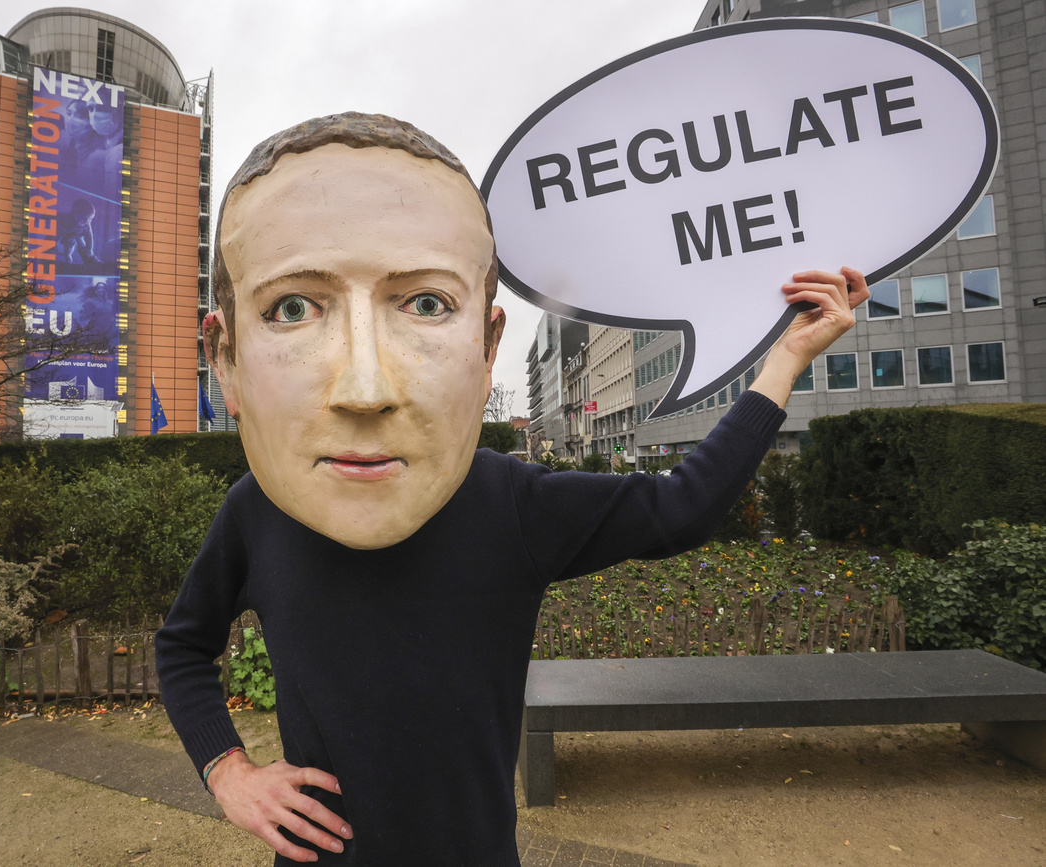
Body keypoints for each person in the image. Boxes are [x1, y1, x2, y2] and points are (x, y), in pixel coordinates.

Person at [155, 112, 868, 866]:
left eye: (425, 303)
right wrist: (226, 770)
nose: (365, 389)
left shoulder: (510, 505)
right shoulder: (259, 512)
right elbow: (183, 645)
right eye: (293, 308)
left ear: (489, 345)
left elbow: (682, 507)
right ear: (225, 359)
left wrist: (786, 359)